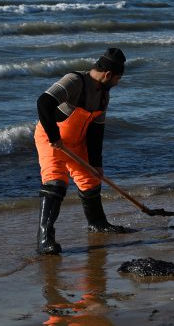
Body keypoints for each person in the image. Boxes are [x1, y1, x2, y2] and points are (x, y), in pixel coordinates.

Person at [34, 48, 131, 255]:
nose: (117, 83)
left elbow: (97, 132)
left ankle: (97, 223)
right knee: (56, 183)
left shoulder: (104, 96)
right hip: (51, 140)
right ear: (108, 74)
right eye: (117, 79)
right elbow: (43, 102)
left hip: (77, 142)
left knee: (91, 180)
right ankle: (44, 239)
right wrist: (54, 137)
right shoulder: (74, 81)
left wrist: (97, 164)